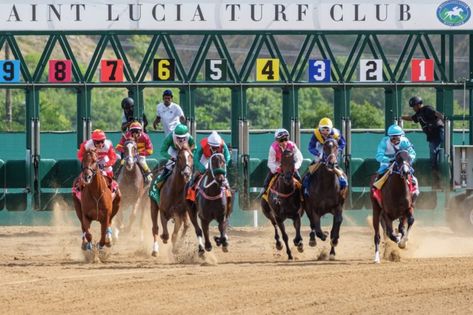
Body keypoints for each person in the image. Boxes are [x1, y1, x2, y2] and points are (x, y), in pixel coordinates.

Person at [401, 96, 444, 187]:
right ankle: (436, 178)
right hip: (432, 137)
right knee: (433, 156)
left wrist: (444, 120)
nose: (413, 108)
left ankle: (438, 178)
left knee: (434, 153)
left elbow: (436, 113)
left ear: (419, 104)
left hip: (438, 133)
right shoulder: (418, 114)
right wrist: (401, 117)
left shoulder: (427, 109)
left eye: (414, 106)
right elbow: (412, 118)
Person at [149, 124, 195, 203]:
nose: (180, 140)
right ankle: (157, 188)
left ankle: (194, 193)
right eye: (178, 138)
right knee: (168, 167)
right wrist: (172, 158)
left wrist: (190, 154)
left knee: (193, 168)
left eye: (182, 138)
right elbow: (162, 151)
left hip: (186, 151)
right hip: (174, 151)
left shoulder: (189, 138)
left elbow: (195, 146)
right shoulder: (170, 137)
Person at [373, 124, 419, 202]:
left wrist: (407, 160)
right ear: (389, 137)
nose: (394, 140)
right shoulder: (384, 141)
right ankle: (376, 191)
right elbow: (379, 156)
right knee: (380, 173)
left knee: (411, 173)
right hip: (387, 162)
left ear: (401, 136)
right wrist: (390, 160)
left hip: (402, 162)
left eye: (397, 138)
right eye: (392, 138)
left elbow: (412, 153)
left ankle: (415, 190)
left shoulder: (405, 141)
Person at [303, 117, 348, 195]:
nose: (325, 132)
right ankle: (306, 187)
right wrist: (318, 154)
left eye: (327, 130)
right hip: (320, 149)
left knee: (335, 165)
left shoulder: (336, 133)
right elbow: (311, 147)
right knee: (309, 171)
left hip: (332, 151)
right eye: (323, 130)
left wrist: (337, 151)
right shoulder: (316, 134)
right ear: (319, 129)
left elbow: (342, 143)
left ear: (330, 129)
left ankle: (342, 181)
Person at [187, 131, 232, 200]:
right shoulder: (203, 143)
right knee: (196, 175)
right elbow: (196, 157)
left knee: (223, 176)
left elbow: (227, 156)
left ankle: (227, 191)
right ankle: (191, 192)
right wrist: (201, 168)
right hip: (205, 158)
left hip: (218, 158)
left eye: (217, 147)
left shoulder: (222, 143)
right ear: (209, 144)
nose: (215, 149)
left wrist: (224, 164)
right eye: (213, 147)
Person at [258, 128, 303, 198]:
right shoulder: (273, 148)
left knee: (300, 181)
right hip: (278, 165)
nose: (284, 142)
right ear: (277, 140)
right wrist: (277, 168)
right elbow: (270, 163)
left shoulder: (292, 145)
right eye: (281, 140)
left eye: (286, 139)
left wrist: (295, 167)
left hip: (289, 167)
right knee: (268, 178)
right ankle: (264, 191)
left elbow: (299, 158)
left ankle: (302, 196)